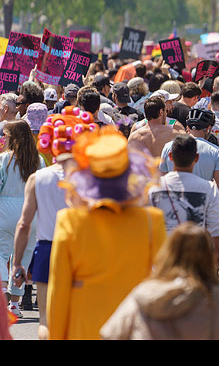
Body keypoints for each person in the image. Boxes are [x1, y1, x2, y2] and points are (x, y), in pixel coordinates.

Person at [46, 126, 167, 340]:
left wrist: (56, 336)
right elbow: (163, 282)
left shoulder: (69, 220)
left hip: (83, 330)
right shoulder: (151, 220)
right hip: (134, 329)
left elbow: (58, 291)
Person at [12, 107, 97, 339]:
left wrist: (17, 263)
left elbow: (24, 224)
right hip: (82, 250)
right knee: (80, 314)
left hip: (48, 249)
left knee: (46, 320)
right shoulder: (90, 178)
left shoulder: (38, 177)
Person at [148, 135, 219, 278]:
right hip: (197, 263)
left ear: (170, 157)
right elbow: (217, 229)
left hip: (161, 261)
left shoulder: (153, 188)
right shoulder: (208, 188)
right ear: (196, 158)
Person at [0, 120, 46, 319]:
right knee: (23, 258)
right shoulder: (39, 160)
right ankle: (15, 304)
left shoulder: (4, 159)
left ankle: (3, 294)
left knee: (2, 254)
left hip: (5, 208)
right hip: (31, 211)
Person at [159, 108, 219, 200]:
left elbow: (161, 178)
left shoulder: (168, 147)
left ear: (187, 127)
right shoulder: (215, 151)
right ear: (208, 129)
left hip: (174, 205)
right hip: (201, 205)